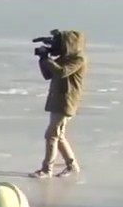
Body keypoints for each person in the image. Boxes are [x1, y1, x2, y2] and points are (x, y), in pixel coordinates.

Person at [31, 30, 87, 179]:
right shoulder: (64, 58)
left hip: (66, 103)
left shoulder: (78, 59)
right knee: (58, 135)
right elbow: (48, 75)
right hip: (58, 101)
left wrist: (47, 58)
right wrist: (43, 59)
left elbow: (62, 72)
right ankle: (72, 165)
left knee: (51, 135)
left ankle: (47, 169)